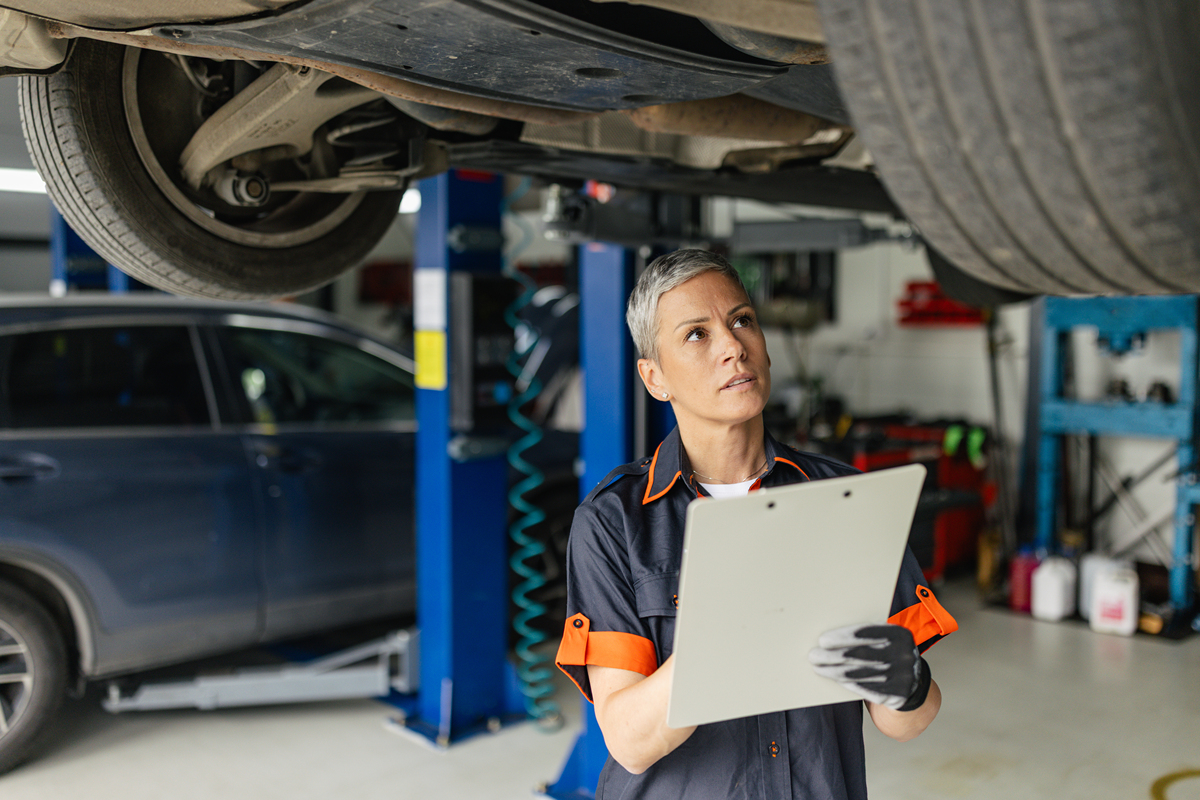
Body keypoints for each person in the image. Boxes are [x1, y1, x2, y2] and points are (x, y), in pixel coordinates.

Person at [555, 249, 958, 800]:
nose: (732, 347)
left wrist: (908, 684)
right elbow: (629, 739)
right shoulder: (614, 522)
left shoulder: (841, 499)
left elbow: (909, 720)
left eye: (741, 320)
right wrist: (727, 633)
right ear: (655, 378)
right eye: (696, 335)